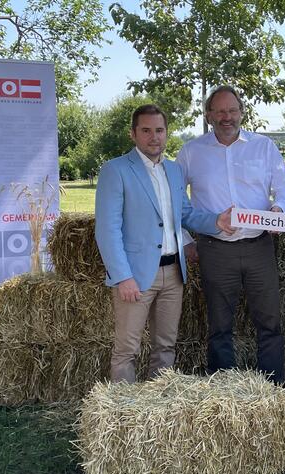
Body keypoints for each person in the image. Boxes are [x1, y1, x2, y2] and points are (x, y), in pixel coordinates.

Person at [95, 104, 234, 383]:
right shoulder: (116, 170)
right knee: (127, 349)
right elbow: (107, 229)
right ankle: (124, 413)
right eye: (146, 130)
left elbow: (185, 214)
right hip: (135, 274)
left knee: (166, 346)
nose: (154, 137)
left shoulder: (173, 171)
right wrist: (123, 276)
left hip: (173, 273)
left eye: (159, 130)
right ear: (133, 134)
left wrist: (217, 221)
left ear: (166, 134)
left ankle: (157, 411)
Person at [176, 85, 285, 384]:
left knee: (269, 320)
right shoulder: (191, 152)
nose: (226, 117)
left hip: (259, 246)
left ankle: (272, 386)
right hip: (215, 250)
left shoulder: (264, 147)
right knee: (219, 324)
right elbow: (174, 200)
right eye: (219, 111)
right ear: (208, 115)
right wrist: (187, 240)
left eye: (232, 111)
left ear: (242, 112)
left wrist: (279, 211)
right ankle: (224, 391)